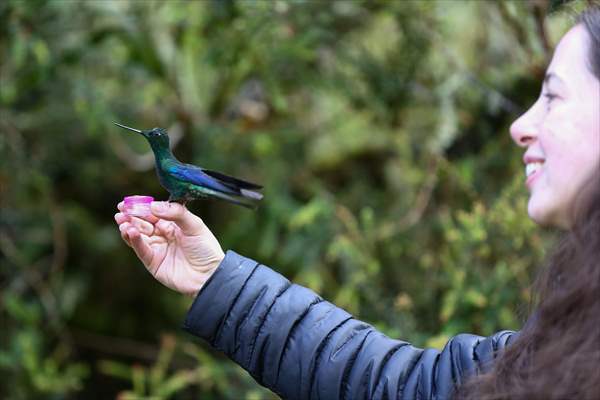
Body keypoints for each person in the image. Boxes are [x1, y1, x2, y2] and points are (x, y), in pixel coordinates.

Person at [114, 6, 600, 400]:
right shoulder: (574, 322)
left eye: (553, 97)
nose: (520, 125)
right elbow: (414, 390)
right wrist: (217, 280)